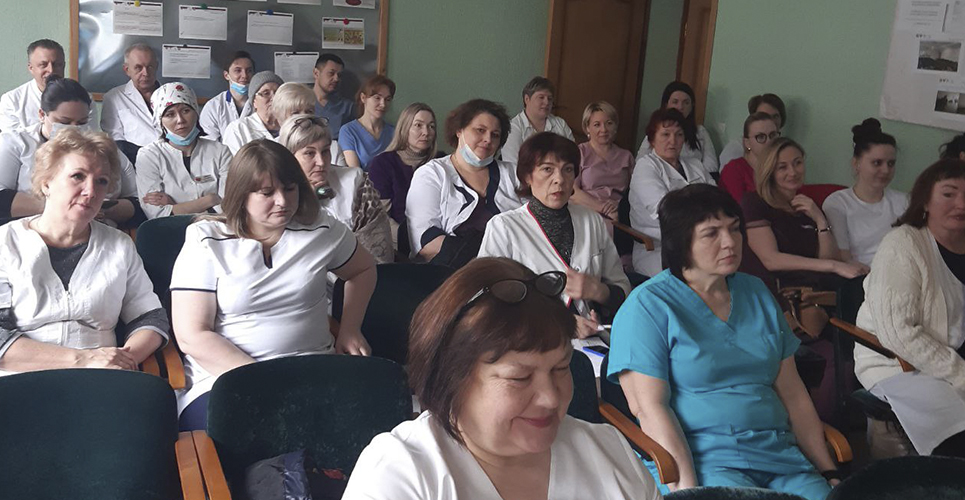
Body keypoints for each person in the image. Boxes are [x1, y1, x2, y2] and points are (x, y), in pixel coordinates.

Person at [343, 257, 662, 500]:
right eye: (520, 378)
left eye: (561, 368)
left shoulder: (609, 454)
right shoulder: (401, 476)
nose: (551, 398)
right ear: (452, 377)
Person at [608, 184, 839, 500]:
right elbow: (650, 409)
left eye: (734, 228)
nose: (730, 242)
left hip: (781, 458)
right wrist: (690, 492)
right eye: (711, 233)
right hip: (706, 463)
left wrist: (829, 473)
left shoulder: (756, 293)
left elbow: (793, 393)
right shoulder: (648, 306)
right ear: (681, 242)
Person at [170, 139, 376, 431]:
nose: (282, 201)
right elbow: (192, 335)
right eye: (267, 193)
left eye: (290, 189)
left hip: (313, 369)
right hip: (226, 377)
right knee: (259, 435)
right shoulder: (206, 239)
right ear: (241, 194)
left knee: (361, 427)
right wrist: (266, 382)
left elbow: (363, 270)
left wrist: (350, 328)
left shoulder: (321, 228)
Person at [0, 128, 168, 376]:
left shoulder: (119, 245)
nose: (91, 191)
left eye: (102, 181)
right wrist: (83, 359)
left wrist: (122, 360)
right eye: (78, 176)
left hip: (102, 377)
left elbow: (150, 318)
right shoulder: (5, 242)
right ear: (46, 183)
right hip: (22, 377)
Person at [855, 159, 965, 458]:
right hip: (901, 364)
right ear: (925, 201)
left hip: (953, 359)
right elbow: (899, 333)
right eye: (949, 194)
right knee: (957, 435)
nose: (961, 204)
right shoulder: (903, 245)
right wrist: (960, 373)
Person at [479, 132, 630, 339]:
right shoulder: (504, 227)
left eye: (567, 170)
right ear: (527, 177)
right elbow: (488, 303)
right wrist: (561, 324)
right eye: (547, 169)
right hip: (529, 341)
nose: (559, 179)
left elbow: (623, 289)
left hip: (590, 340)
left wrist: (598, 291)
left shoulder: (591, 220)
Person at [0, 77, 138, 226]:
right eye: (64, 122)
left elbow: (137, 202)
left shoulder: (104, 148)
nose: (74, 128)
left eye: (82, 122)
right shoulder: (16, 142)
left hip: (98, 231)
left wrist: (98, 209)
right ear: (42, 115)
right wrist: (64, 207)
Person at [406, 99, 522, 267]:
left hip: (512, 269)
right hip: (448, 272)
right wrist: (485, 260)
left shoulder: (514, 174)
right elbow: (426, 243)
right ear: (459, 130)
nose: (488, 139)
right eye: (480, 130)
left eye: (495, 135)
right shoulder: (431, 174)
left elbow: (532, 225)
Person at [279, 114, 393, 263]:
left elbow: (376, 250)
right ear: (289, 157)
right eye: (309, 153)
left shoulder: (355, 183)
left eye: (325, 151)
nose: (321, 162)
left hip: (357, 273)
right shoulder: (276, 194)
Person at [629, 108, 715, 277]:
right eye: (665, 134)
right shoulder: (646, 166)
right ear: (652, 139)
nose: (673, 141)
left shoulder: (695, 165)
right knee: (698, 277)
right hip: (658, 249)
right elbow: (666, 209)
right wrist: (703, 210)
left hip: (702, 241)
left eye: (679, 135)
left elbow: (717, 199)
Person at [135, 82, 233, 220]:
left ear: (196, 113)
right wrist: (210, 200)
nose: (180, 120)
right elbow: (156, 214)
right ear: (160, 121)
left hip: (216, 228)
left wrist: (174, 206)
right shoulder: (149, 155)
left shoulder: (220, 152)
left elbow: (228, 206)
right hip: (170, 230)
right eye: (170, 114)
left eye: (186, 111)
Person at [822, 118, 908, 267]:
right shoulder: (837, 203)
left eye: (891, 163)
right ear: (856, 163)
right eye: (877, 163)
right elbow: (844, 257)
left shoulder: (904, 201)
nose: (885, 170)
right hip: (859, 275)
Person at [368, 102, 437, 246]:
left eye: (431, 126)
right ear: (405, 128)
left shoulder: (440, 162)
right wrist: (410, 241)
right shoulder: (383, 163)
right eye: (418, 125)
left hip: (438, 238)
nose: (426, 132)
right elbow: (381, 217)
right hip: (399, 241)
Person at [0, 39, 94, 132]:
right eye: (43, 65)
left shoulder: (84, 98)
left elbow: (90, 135)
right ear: (31, 68)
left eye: (57, 64)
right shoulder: (11, 101)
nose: (51, 70)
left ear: (64, 66)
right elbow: (13, 139)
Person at [637, 82, 718, 176]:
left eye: (686, 103)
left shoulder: (700, 132)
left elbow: (712, 166)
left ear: (692, 106)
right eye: (675, 102)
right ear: (666, 104)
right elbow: (640, 160)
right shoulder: (658, 129)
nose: (680, 107)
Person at [570, 101, 634, 219]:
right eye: (597, 125)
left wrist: (620, 207)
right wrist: (602, 208)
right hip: (586, 212)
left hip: (619, 213)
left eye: (609, 123)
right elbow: (573, 192)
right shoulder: (579, 152)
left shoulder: (626, 156)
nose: (604, 129)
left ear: (615, 126)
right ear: (587, 128)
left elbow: (635, 194)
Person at [100, 43, 161, 154]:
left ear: (156, 67)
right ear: (127, 70)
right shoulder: (114, 98)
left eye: (150, 67)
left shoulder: (170, 94)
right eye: (138, 68)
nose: (145, 73)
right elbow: (116, 142)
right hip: (134, 160)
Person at [501, 77, 575, 165]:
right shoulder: (513, 128)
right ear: (527, 99)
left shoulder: (560, 124)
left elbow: (573, 156)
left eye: (550, 98)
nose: (546, 102)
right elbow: (513, 165)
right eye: (541, 97)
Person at [271, 82, 345, 166]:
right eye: (295, 113)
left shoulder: (332, 147)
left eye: (309, 111)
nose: (304, 117)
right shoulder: (269, 151)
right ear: (280, 118)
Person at [718, 112, 781, 203]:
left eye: (773, 135)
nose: (769, 142)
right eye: (761, 137)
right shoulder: (734, 169)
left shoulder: (781, 167)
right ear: (747, 143)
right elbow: (741, 208)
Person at [338, 75, 396, 170]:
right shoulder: (348, 131)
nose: (383, 104)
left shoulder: (394, 132)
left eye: (388, 99)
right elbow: (355, 172)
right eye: (377, 98)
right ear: (363, 98)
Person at [222, 71, 284, 155]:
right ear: (254, 101)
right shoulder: (238, 129)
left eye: (278, 93)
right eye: (266, 93)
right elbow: (236, 162)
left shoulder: (292, 125)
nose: (274, 98)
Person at [198, 51, 255, 142]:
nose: (244, 76)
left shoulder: (261, 103)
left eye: (249, 71)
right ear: (226, 75)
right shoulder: (213, 107)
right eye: (238, 70)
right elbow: (210, 144)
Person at [719, 93, 787, 167]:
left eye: (775, 116)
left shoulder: (786, 149)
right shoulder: (734, 149)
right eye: (764, 116)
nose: (770, 121)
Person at [312, 53, 355, 140]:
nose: (336, 79)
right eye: (331, 73)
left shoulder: (347, 107)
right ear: (316, 73)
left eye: (339, 75)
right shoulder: (301, 102)